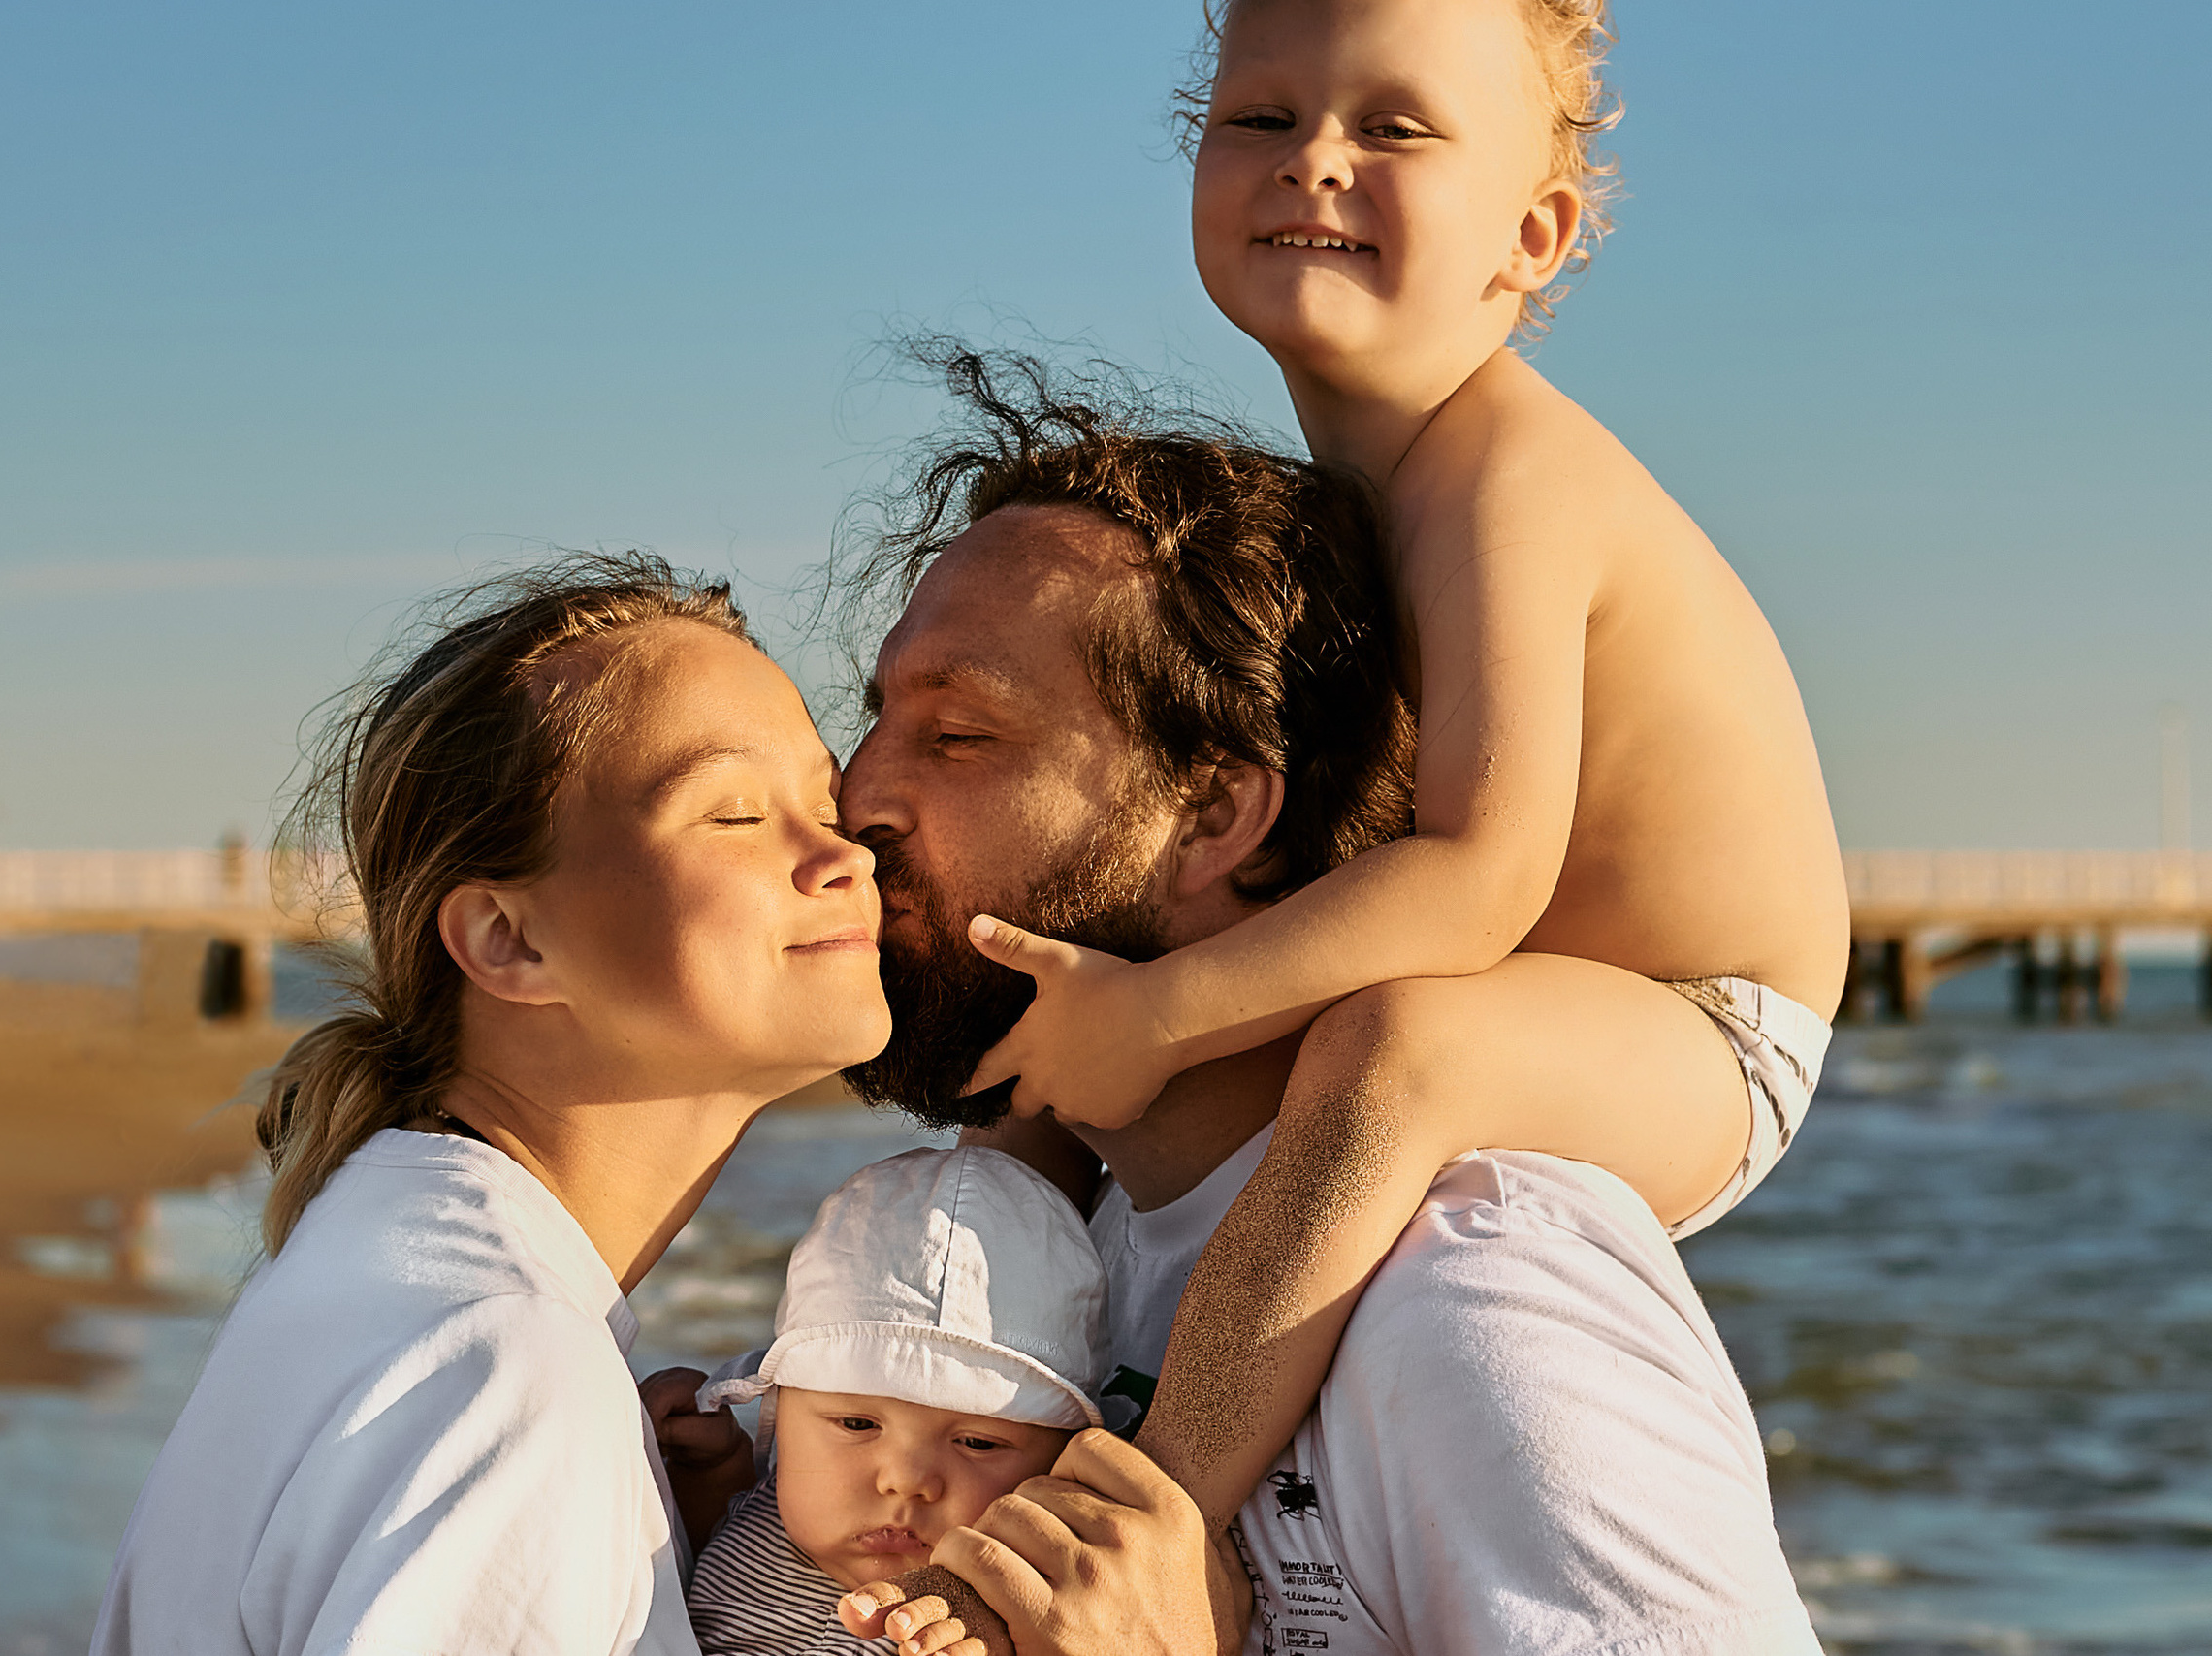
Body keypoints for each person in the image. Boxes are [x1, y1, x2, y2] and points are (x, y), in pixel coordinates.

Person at [946, 0, 1853, 1530]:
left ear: (1534, 235)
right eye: (1258, 120)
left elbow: (1483, 877)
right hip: (1513, 979)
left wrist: (1163, 1017)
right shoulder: (1351, 489)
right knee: (1077, 1008)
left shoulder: (1508, 472)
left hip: (1702, 1030)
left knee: (1397, 1052)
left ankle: (1161, 1515)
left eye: (1395, 128)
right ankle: (937, 1371)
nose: (1313, 161)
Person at [834, 363, 1822, 1654]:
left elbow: (1484, 869)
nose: (855, 799)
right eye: (875, 722)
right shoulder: (1058, 1260)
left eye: (959, 738)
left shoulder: (1478, 1318)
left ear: (1215, 814)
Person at [90, 558, 892, 1656]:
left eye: (827, 802)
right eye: (737, 812)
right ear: (507, 941)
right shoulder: (507, 1370)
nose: (843, 855)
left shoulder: (392, 1257)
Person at [645, 1146, 1106, 1656]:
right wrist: (710, 1470)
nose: (905, 1481)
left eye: (977, 1441)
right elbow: (705, 1554)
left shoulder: (1007, 1622)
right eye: (858, 1424)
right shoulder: (776, 1508)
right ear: (782, 1413)